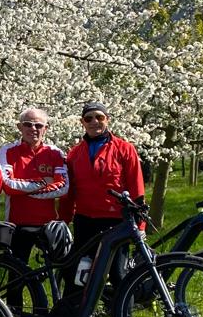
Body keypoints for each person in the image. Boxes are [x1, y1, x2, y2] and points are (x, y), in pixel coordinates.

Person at [61, 101, 145, 253]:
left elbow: (136, 186)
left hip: (116, 219)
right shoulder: (74, 153)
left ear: (107, 119)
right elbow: (69, 191)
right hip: (84, 220)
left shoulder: (125, 149)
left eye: (99, 117)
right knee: (82, 266)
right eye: (88, 119)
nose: (94, 122)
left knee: (116, 267)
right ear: (82, 123)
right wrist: (63, 221)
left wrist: (140, 224)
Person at [0, 107, 70, 266]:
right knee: (16, 274)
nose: (33, 129)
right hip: (17, 224)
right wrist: (44, 182)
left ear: (46, 128)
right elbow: (8, 185)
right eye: (28, 124)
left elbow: (63, 187)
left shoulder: (56, 153)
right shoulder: (7, 151)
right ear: (19, 127)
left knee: (54, 271)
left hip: (48, 225)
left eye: (38, 125)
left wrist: (25, 190)